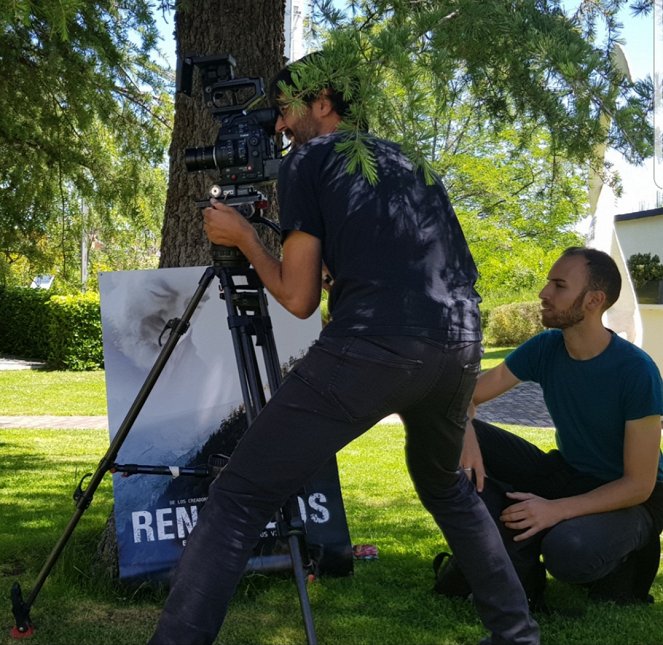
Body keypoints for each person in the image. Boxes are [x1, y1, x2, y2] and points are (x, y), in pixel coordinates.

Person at [148, 53, 539, 645]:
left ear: (322, 102)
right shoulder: (409, 160)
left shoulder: (311, 158)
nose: (278, 127)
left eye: (283, 111)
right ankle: (517, 635)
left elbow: (298, 298)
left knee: (238, 496)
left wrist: (245, 237)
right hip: (459, 343)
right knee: (445, 487)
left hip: (374, 346)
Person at [435, 247, 663, 610]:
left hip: (632, 498)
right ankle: (513, 554)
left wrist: (556, 511)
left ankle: (631, 549)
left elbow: (639, 484)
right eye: (548, 283)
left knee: (567, 549)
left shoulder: (636, 371)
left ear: (594, 300)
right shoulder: (546, 348)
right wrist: (466, 435)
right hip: (566, 473)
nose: (543, 293)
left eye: (558, 285)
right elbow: (464, 397)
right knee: (439, 435)